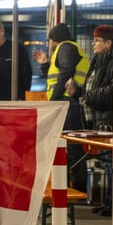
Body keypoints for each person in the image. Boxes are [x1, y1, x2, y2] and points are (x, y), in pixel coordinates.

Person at [69, 24, 113, 216]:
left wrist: (88, 97)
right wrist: (79, 92)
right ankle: (110, 202)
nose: (93, 44)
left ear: (108, 43)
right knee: (108, 163)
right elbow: (95, 88)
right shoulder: (100, 61)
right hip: (101, 120)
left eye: (97, 40)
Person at [33, 22, 89, 190]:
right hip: (67, 102)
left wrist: (55, 99)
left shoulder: (65, 48)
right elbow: (57, 75)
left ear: (53, 39)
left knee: (71, 148)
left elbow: (66, 72)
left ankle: (76, 189)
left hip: (68, 103)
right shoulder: (66, 49)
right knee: (69, 147)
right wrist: (44, 65)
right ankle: (71, 188)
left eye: (49, 40)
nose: (48, 44)